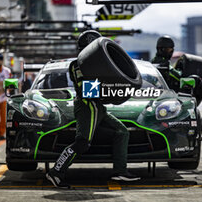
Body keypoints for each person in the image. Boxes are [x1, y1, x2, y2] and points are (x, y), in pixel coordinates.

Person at [46, 30, 140, 188]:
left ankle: (120, 171)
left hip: (98, 106)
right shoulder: (76, 65)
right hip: (87, 106)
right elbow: (87, 89)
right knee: (82, 142)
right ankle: (56, 172)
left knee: (122, 132)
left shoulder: (98, 66)